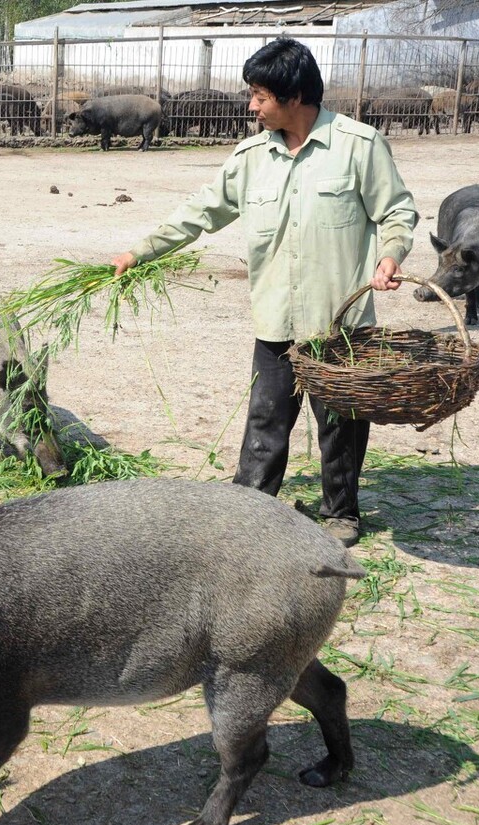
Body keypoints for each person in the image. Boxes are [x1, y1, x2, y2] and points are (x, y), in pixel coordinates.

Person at [111, 37, 418, 547]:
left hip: (339, 323)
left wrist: (390, 255)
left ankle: (340, 513)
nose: (251, 106)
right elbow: (202, 211)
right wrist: (139, 251)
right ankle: (248, 508)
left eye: (259, 95)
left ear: (292, 96)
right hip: (275, 318)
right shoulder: (251, 156)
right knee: (266, 418)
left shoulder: (358, 147)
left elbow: (397, 211)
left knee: (341, 422)